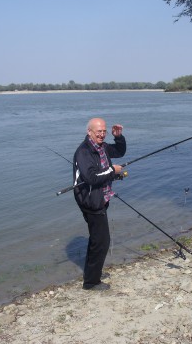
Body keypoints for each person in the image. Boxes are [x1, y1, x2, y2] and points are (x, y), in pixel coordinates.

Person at [73, 118, 126, 291]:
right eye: (99, 132)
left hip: (102, 197)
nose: (102, 134)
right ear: (89, 132)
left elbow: (119, 152)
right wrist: (113, 171)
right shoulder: (83, 152)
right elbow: (91, 178)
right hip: (90, 201)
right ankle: (91, 282)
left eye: (104, 131)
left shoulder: (102, 147)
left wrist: (118, 137)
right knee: (102, 241)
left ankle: (93, 273)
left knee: (96, 239)